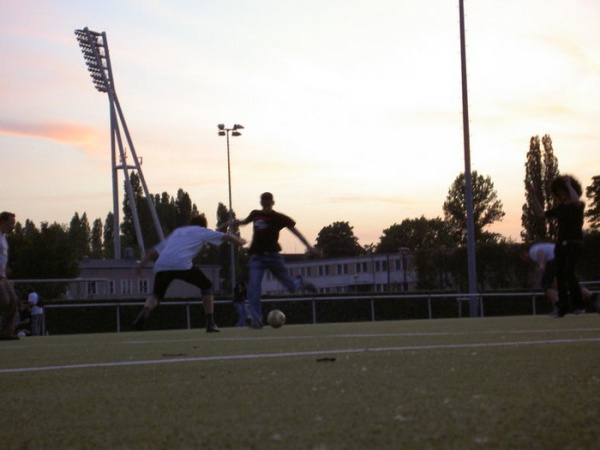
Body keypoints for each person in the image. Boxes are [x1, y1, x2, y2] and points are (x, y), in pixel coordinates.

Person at [133, 214, 246, 332]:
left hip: (162, 264)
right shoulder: (202, 231)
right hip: (182, 264)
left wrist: (140, 265)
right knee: (206, 286)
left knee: (156, 295)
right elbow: (226, 236)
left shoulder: (178, 232)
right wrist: (239, 242)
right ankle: (211, 323)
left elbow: (153, 252)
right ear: (204, 225)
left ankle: (145, 311)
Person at [233, 192, 322, 329]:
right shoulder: (255, 214)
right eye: (264, 202)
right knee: (253, 289)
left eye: (268, 202)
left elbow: (296, 233)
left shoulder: (278, 218)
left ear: (272, 203)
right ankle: (257, 320)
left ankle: (301, 282)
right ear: (261, 203)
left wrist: (310, 247)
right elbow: (244, 222)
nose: (266, 204)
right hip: (257, 257)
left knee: (291, 287)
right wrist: (234, 222)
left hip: (273, 256)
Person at [528, 175, 587, 317]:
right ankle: (563, 308)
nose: (560, 194)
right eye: (558, 191)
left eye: (563, 190)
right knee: (559, 275)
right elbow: (541, 214)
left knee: (569, 273)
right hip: (561, 244)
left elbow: (576, 200)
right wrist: (533, 196)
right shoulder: (560, 208)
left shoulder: (578, 205)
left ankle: (579, 306)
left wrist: (569, 184)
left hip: (575, 243)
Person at [520, 242, 598, 316]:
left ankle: (560, 307)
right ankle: (593, 297)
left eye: (522, 258)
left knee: (544, 284)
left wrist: (542, 265)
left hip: (555, 259)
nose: (524, 260)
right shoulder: (543, 246)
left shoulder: (532, 251)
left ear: (524, 253)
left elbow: (540, 252)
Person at [0, 211, 19, 340]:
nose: (13, 227)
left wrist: (6, 268)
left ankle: (6, 333)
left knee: (12, 300)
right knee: (4, 301)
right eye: (11, 223)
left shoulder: (3, 238)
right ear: (2, 222)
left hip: (2, 276)